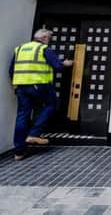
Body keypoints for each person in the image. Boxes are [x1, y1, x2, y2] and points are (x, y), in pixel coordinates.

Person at [9, 29, 73, 161]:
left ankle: (19, 152)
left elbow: (11, 70)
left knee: (22, 116)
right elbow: (58, 66)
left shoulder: (19, 49)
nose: (49, 40)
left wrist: (15, 84)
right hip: (39, 85)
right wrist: (67, 63)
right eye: (49, 37)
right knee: (52, 104)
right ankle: (34, 133)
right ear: (43, 37)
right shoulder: (43, 49)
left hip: (21, 86)